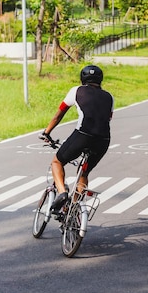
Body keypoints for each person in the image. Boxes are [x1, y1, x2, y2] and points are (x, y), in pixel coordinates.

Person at [39, 64, 114, 214]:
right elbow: (108, 118)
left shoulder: (76, 91)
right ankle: (74, 207)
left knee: (57, 162)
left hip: (83, 135)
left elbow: (59, 114)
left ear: (82, 79)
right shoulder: (109, 97)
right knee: (84, 172)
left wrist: (47, 132)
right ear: (100, 79)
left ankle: (61, 193)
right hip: (103, 140)